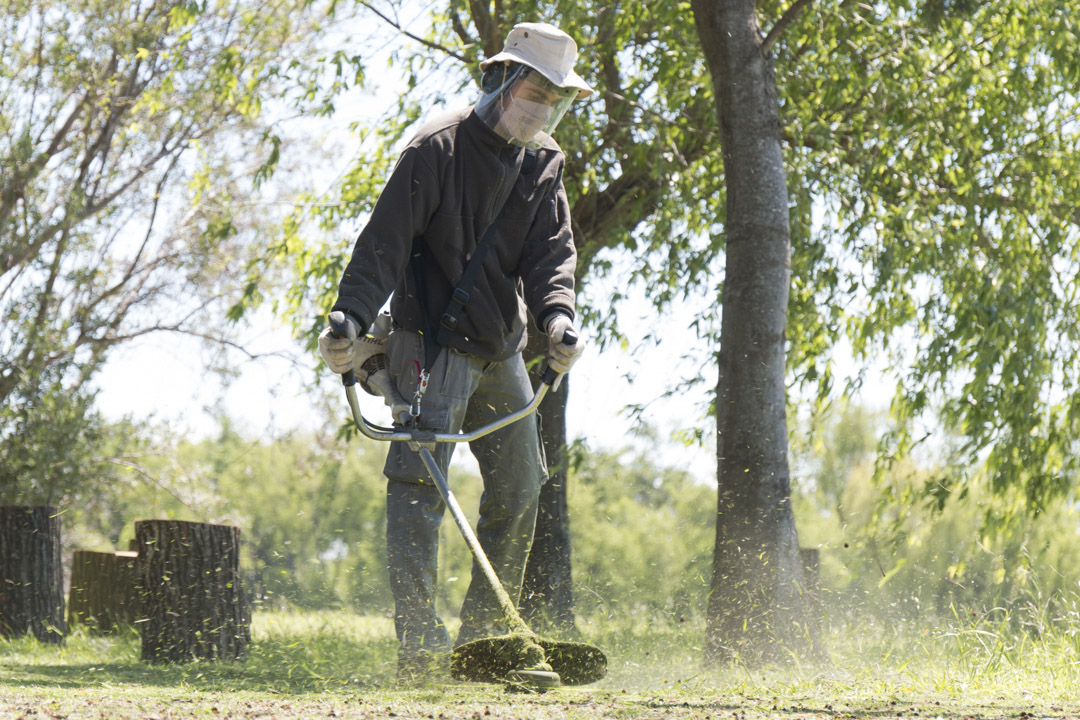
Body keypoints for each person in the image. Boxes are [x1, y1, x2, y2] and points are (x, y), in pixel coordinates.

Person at [317, 21, 590, 681]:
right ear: (499, 79)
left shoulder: (543, 161)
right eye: (535, 90)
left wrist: (558, 322)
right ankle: (420, 650)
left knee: (522, 487)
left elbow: (553, 256)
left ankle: (483, 644)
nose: (542, 107)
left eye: (554, 98)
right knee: (418, 493)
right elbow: (383, 244)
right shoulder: (434, 149)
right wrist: (349, 319)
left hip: (500, 350)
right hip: (428, 343)